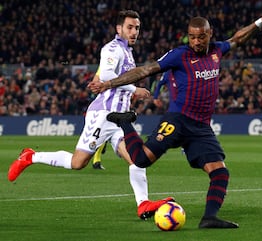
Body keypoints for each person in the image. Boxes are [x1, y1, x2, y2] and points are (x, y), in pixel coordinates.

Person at [88, 10, 262, 228]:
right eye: (192, 37)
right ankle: (125, 121)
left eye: (201, 36)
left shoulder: (217, 51)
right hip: (178, 120)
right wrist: (109, 84)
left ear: (210, 35)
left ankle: (209, 218)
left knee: (220, 172)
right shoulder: (179, 55)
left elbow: (238, 38)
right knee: (141, 160)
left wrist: (260, 21)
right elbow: (145, 70)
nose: (196, 41)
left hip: (201, 127)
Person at [8, 10, 173, 220]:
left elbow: (105, 77)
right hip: (104, 116)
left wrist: (126, 95)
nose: (134, 32)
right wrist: (135, 90)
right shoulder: (113, 48)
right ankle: (30, 156)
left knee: (137, 159)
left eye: (137, 28)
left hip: (121, 118)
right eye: (130, 27)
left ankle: (143, 204)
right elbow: (106, 75)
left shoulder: (127, 51)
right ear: (119, 28)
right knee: (78, 163)